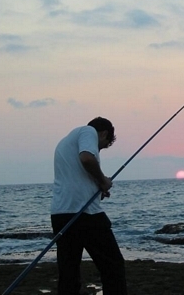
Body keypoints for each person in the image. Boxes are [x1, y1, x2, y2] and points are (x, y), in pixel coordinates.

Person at [51, 117, 127, 295]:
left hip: (61, 213)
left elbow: (76, 175)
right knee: (113, 266)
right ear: (104, 134)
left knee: (69, 273)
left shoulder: (66, 142)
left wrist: (97, 186)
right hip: (85, 214)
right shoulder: (88, 132)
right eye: (103, 146)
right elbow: (86, 158)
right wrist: (102, 180)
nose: (98, 150)